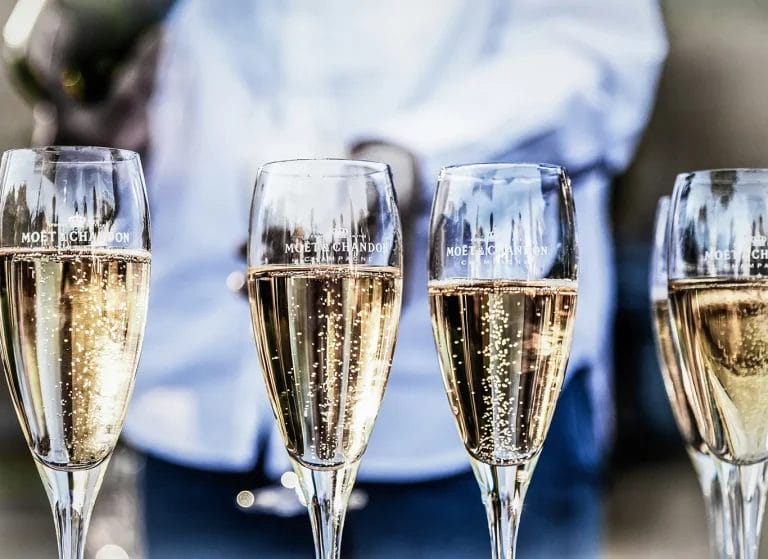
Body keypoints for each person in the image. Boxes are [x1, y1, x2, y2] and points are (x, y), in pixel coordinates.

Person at [5, 1, 667, 556]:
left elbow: (602, 46)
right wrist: (80, 93)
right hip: (190, 403)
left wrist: (411, 158)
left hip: (452, 419)